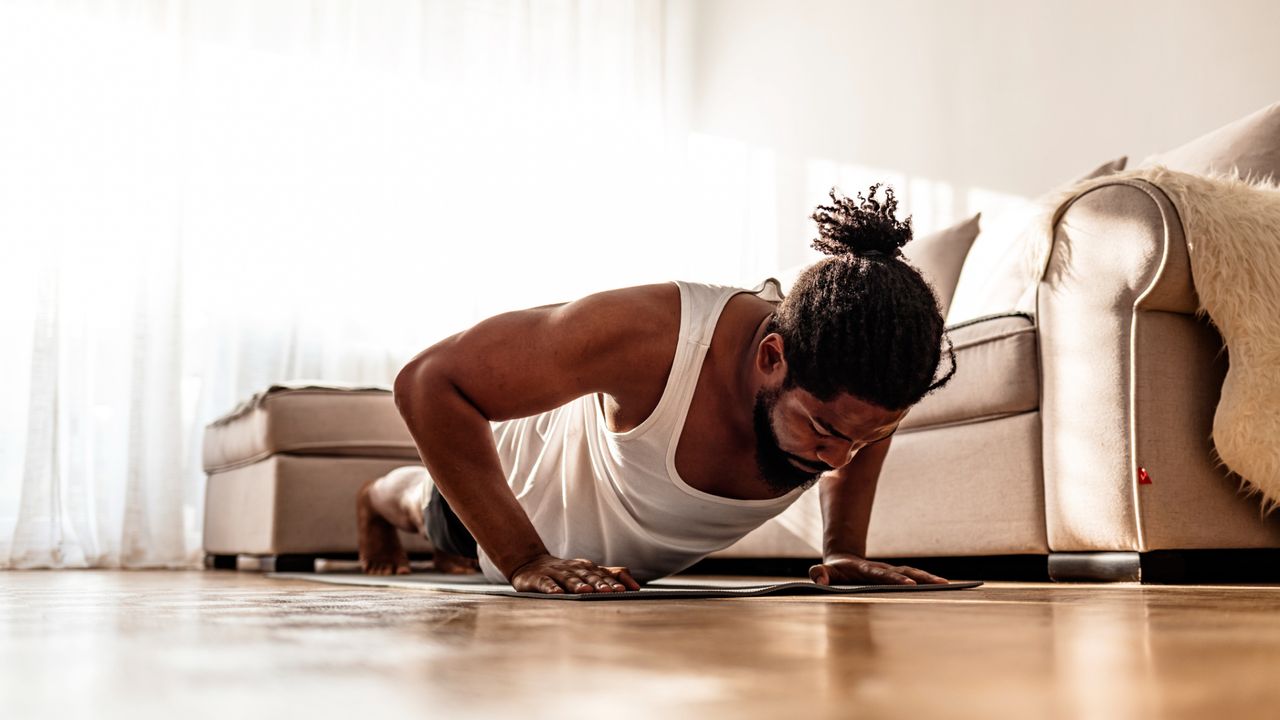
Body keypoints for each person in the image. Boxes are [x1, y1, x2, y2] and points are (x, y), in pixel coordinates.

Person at [357, 184, 957, 593]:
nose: (837, 460)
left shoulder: (863, 383)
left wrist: (842, 550)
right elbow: (428, 381)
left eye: (869, 435)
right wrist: (524, 558)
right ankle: (375, 498)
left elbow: (857, 434)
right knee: (430, 513)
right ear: (772, 357)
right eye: (824, 431)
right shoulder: (653, 335)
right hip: (522, 493)